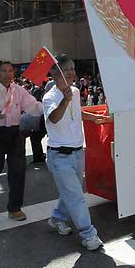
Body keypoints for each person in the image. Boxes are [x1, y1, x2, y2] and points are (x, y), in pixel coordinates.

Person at [43, 54, 110, 250]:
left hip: (77, 152)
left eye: (73, 68)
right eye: (67, 70)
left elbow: (78, 113)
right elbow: (54, 118)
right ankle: (88, 234)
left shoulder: (74, 90)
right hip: (59, 156)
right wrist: (65, 100)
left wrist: (95, 117)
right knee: (76, 196)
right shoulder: (50, 97)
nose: (72, 72)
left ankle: (56, 219)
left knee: (72, 192)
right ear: (56, 74)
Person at [0, 60, 44, 219]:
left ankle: (14, 208)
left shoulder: (19, 90)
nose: (8, 74)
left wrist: (49, 107)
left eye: (10, 71)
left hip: (14, 133)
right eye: (4, 71)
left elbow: (32, 106)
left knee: (18, 170)